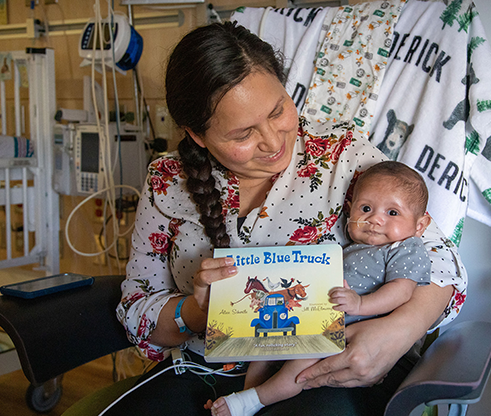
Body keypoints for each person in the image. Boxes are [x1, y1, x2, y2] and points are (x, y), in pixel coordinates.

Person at [109, 21, 467, 416]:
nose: (274, 141)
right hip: (203, 368)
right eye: (243, 134)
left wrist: (398, 332)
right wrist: (198, 312)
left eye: (278, 110)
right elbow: (138, 309)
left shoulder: (340, 156)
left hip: (317, 368)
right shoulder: (167, 181)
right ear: (197, 135)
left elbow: (443, 263)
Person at [208, 161, 432, 416]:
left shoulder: (406, 248)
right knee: (264, 347)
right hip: (316, 319)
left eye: (393, 213)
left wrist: (360, 304)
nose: (375, 219)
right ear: (349, 212)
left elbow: (401, 291)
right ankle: (247, 394)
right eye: (366, 208)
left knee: (300, 368)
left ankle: (254, 401)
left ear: (420, 225)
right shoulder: (347, 248)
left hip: (348, 335)